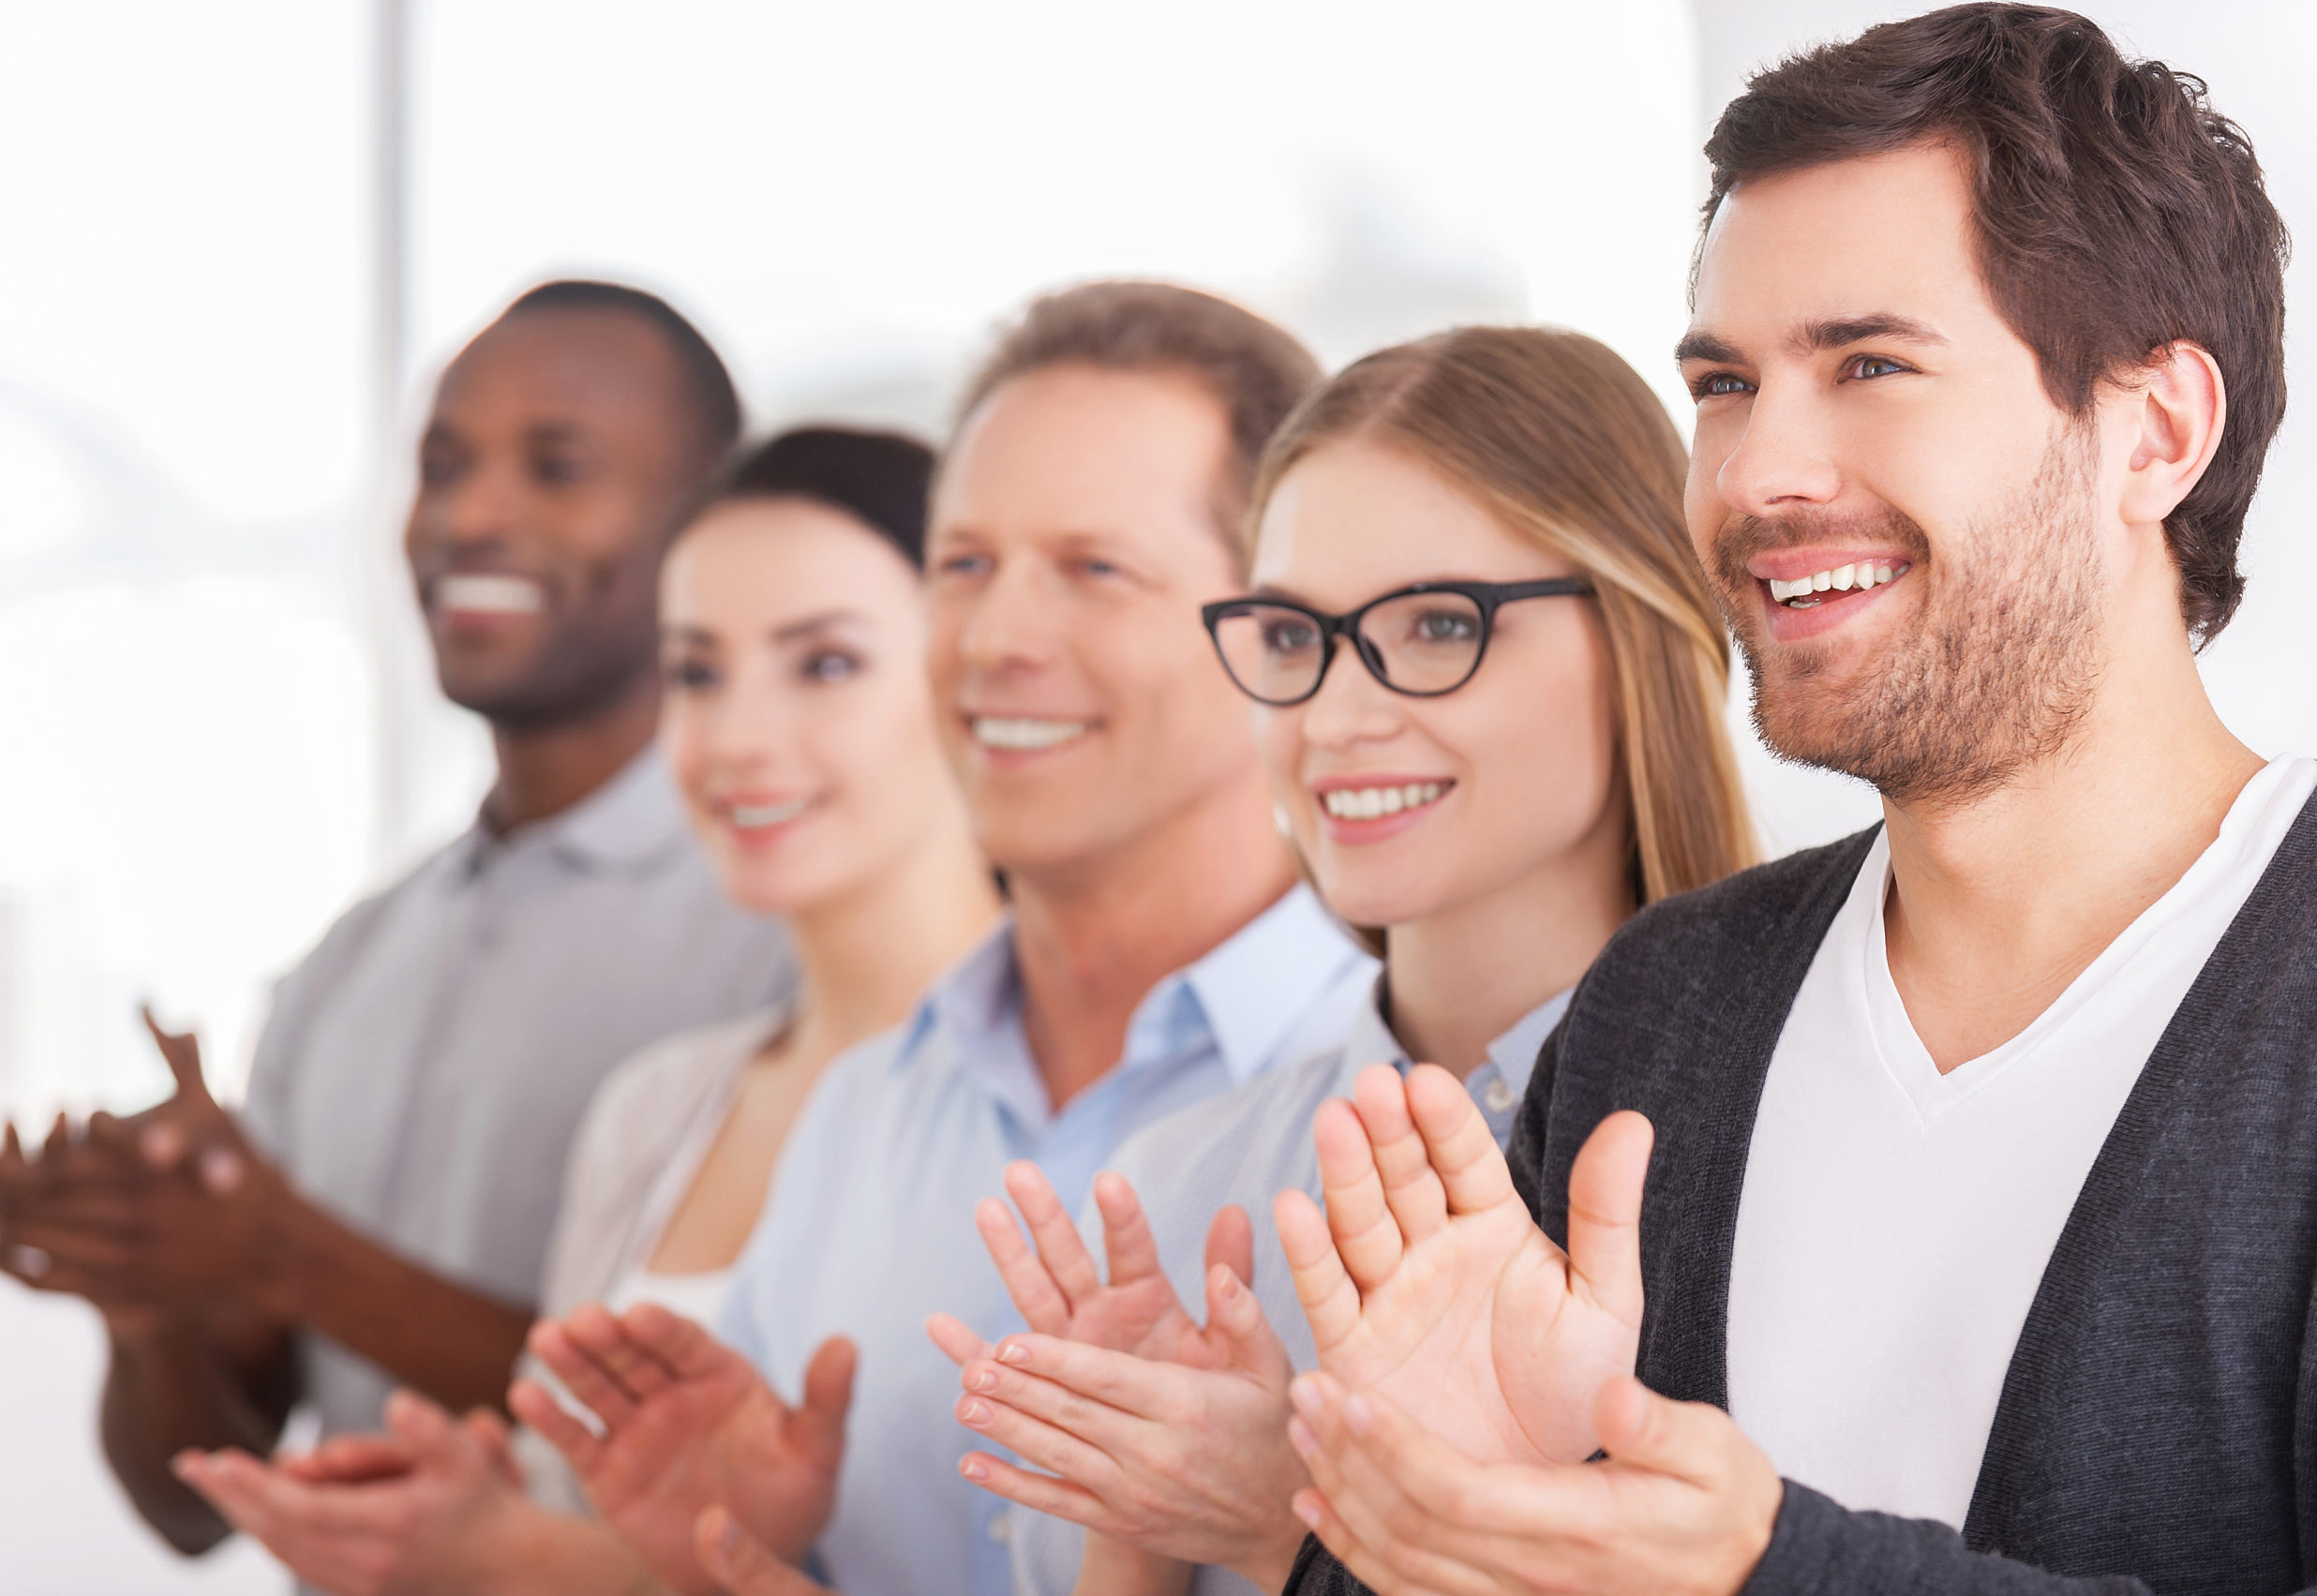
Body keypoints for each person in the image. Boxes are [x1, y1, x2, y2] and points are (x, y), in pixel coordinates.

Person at [1269, 7, 2317, 1595]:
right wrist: (1443, 1523)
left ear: (2154, 430)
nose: (1757, 474)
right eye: (1726, 383)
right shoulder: (1665, 1007)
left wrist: (1764, 1568)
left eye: (1870, 363)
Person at [519, 281, 1378, 1596]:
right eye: (963, 566)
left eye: (1096, 569)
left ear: (1281, 625)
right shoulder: (859, 1116)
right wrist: (732, 1551)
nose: (996, 638)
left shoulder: (1400, 1110)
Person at [0, 279, 794, 1557]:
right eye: (440, 463)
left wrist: (278, 1248)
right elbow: (188, 1504)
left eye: (555, 466)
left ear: (711, 523)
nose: (470, 513)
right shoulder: (354, 958)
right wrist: (156, 1283)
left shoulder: (778, 933)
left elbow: (738, 1435)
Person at [928, 325, 1760, 1596]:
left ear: (1639, 631)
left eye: (1437, 623)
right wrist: (1146, 1508)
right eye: (1289, 635)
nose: (1334, 718)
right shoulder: (1189, 1180)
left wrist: (1291, 1520)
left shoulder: (1789, 1136)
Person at [155, 427, 1005, 1596]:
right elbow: (582, 1519)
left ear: (975, 676)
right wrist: (479, 1519)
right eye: (698, 671)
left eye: (824, 665)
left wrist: (531, 1561)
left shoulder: (1059, 1093)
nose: (739, 739)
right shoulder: (656, 1109)